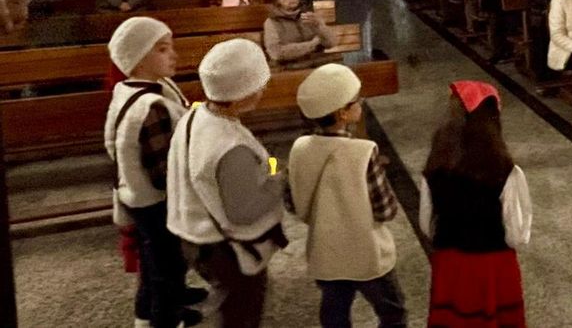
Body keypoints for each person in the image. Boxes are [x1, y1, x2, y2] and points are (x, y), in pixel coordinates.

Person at [167, 39, 287, 328]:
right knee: (243, 309)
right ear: (240, 94)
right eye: (258, 84)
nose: (263, 89)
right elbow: (243, 212)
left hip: (192, 235)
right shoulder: (229, 147)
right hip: (222, 249)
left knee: (228, 298)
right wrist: (280, 180)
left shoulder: (197, 114)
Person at [288, 64, 408, 328]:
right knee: (392, 311)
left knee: (334, 311)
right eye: (357, 100)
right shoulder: (363, 152)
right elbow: (385, 210)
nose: (361, 103)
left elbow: (292, 200)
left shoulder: (299, 148)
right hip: (365, 254)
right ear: (343, 112)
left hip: (325, 252)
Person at [105, 18, 206, 328]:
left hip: (137, 195)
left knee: (153, 261)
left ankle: (154, 308)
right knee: (167, 266)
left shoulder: (134, 89)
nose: (174, 55)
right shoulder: (151, 106)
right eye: (163, 49)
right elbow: (163, 173)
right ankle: (164, 316)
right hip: (156, 200)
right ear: (137, 60)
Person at [420, 81, 531, 327]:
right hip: (493, 267)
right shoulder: (507, 172)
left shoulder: (434, 168)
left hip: (450, 265)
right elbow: (516, 234)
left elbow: (427, 225)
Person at [262, 0, 337, 68]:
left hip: (319, 65)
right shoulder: (272, 22)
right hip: (291, 69)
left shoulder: (309, 16)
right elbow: (276, 53)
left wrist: (320, 26)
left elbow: (331, 43)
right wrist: (311, 45)